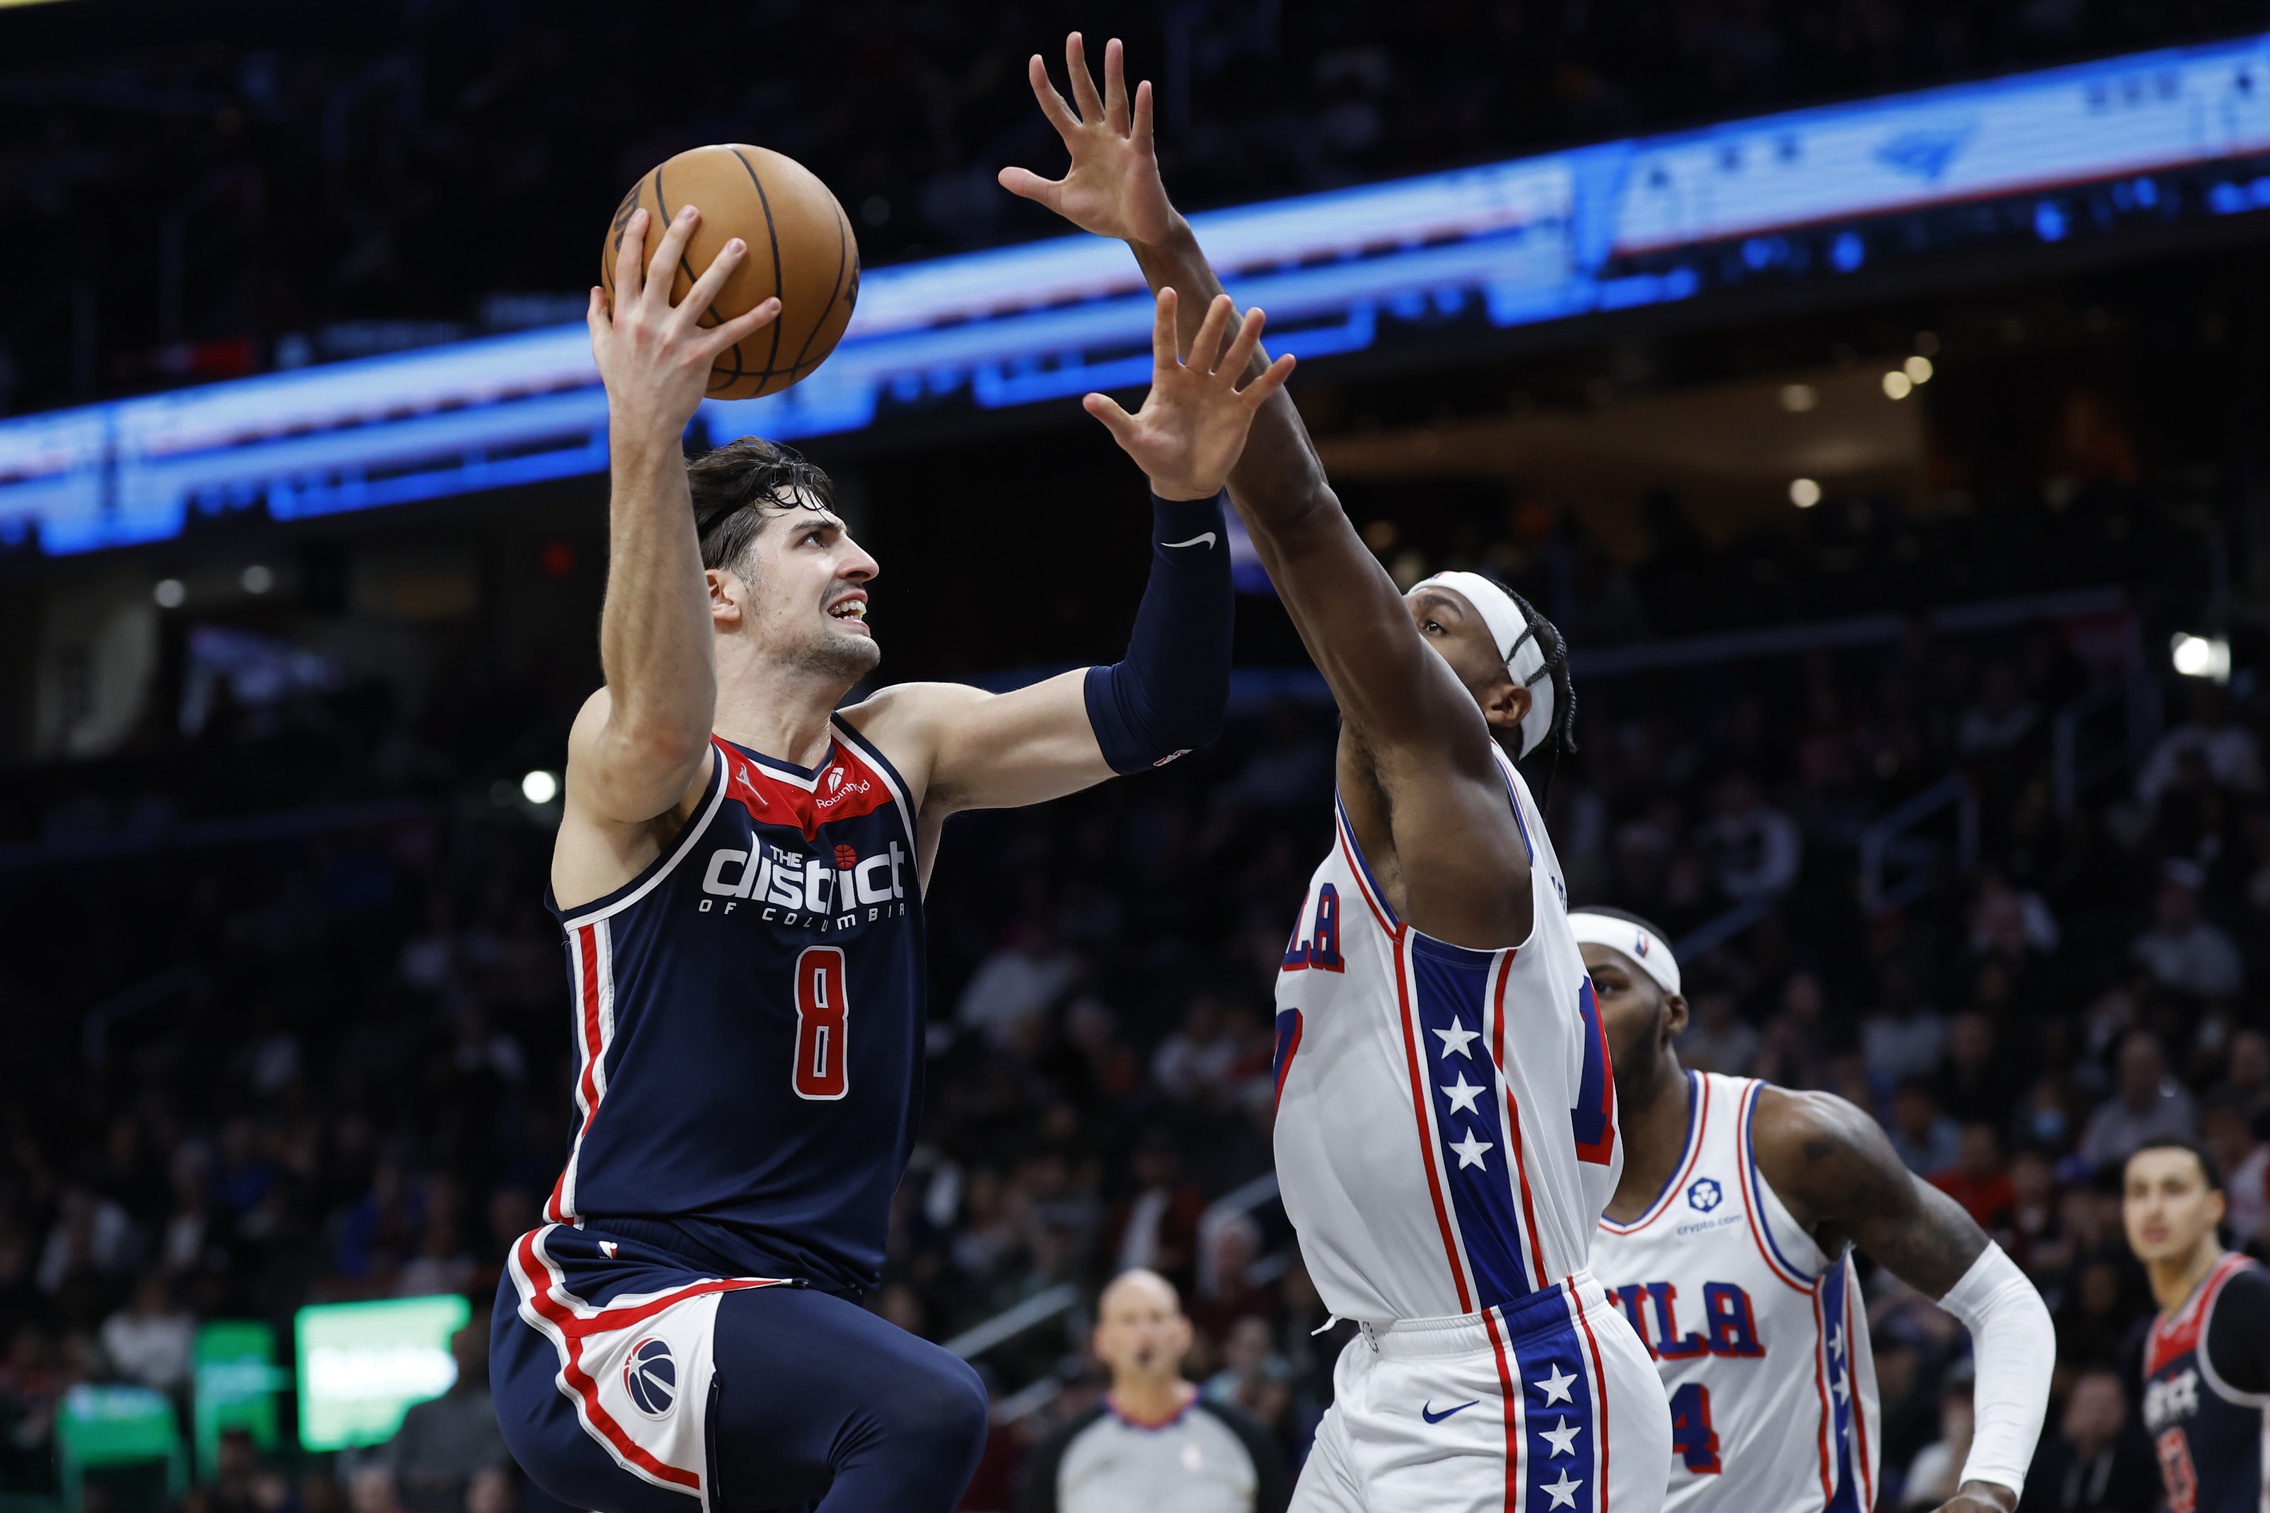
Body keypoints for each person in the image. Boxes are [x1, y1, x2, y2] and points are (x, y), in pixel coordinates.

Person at [490, 190, 1292, 1513]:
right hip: (619, 1299)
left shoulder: (905, 749)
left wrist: (1186, 503)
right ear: (718, 594)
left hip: (783, 1324)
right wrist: (644, 429)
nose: (862, 559)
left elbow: (1163, 708)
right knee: (931, 1404)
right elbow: (651, 710)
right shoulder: (639, 759)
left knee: (901, 1414)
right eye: (816, 538)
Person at [1003, 35, 1670, 1512]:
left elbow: (1306, 531)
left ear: (1497, 702)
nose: (1397, 634)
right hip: (1381, 1376)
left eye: (1434, 625)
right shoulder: (1394, 817)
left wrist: (1158, 244)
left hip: (1506, 1381)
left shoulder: (1460, 800)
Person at [1579, 908, 2055, 1513]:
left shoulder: (1790, 1143)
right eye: (1556, 993)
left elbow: (2005, 1303)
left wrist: (1987, 1487)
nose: (1577, 1011)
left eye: (1603, 986)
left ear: (1673, 1011)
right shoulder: (1518, 1196)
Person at [1018, 1269, 1290, 1513]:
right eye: (1129, 1320)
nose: (1145, 1333)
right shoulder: (1060, 1453)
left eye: (1157, 1318)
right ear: (1101, 1341)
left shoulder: (1249, 1440)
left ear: (1184, 1333)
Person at [2122, 1139, 2270, 1513]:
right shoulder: (2153, 1339)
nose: (2153, 1209)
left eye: (2174, 1190)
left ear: (2215, 1207)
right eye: (2139, 1193)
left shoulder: (2246, 1296)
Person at [2013, 1367, 2157, 1513]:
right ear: (2070, 1410)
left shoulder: (2141, 1463)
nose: (2099, 1414)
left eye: (2108, 1405)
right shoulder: (2044, 1465)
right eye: (2091, 1404)